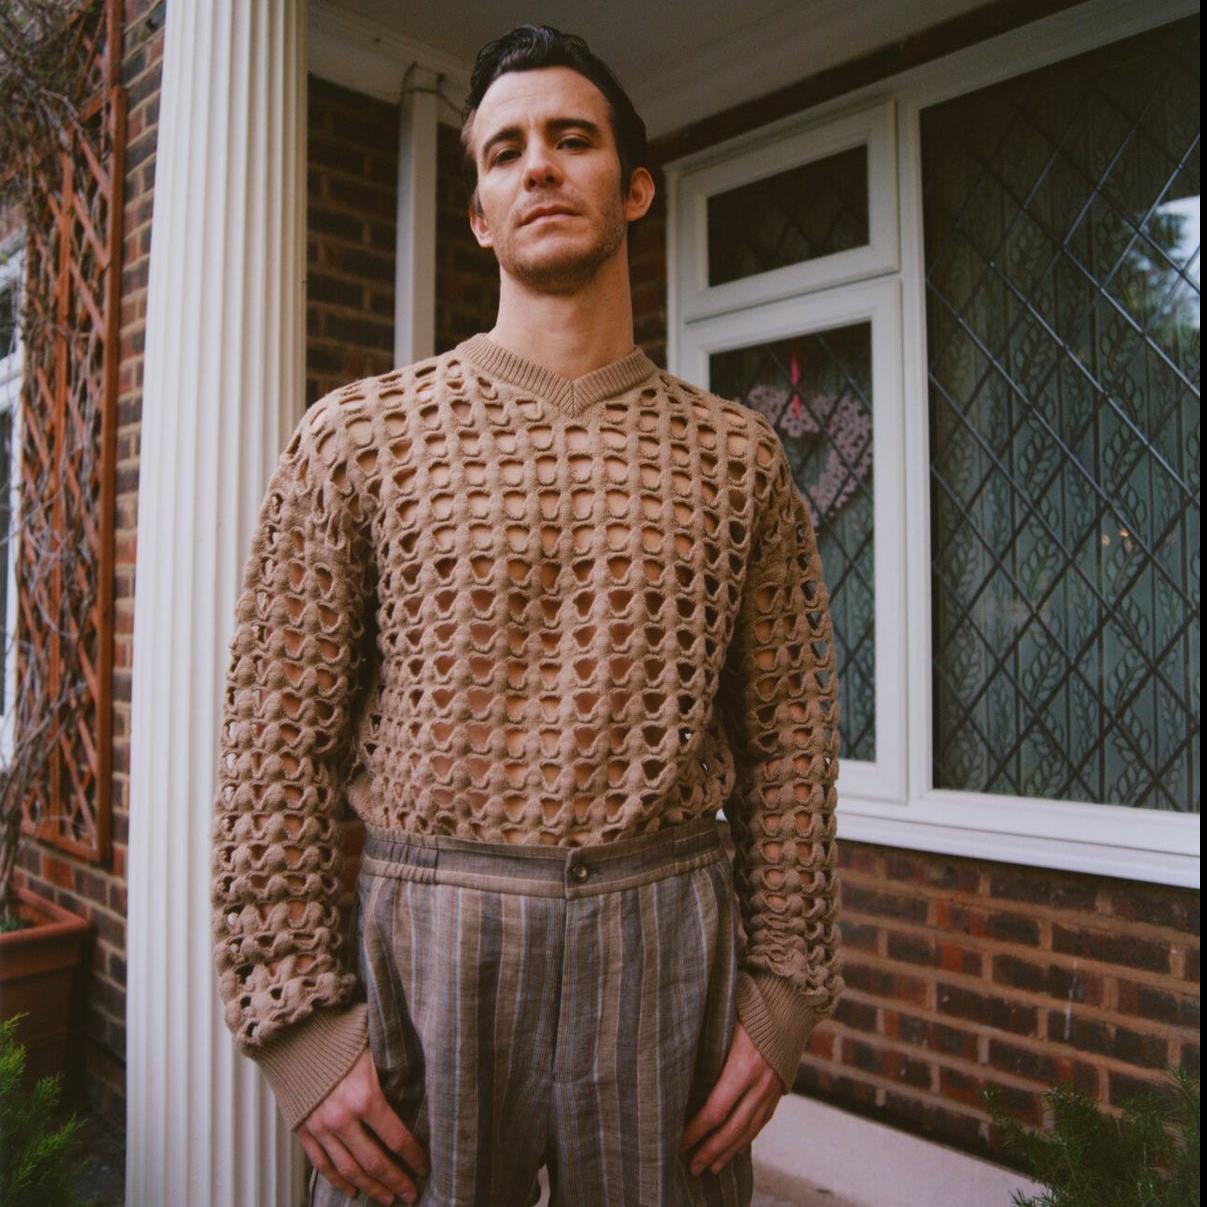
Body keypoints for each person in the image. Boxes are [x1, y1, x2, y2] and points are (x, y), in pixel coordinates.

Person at [211, 22, 842, 1207]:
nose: (539, 165)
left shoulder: (738, 460)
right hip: (430, 952)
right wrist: (297, 1025)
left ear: (635, 186)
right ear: (479, 216)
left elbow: (791, 735)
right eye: (505, 152)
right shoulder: (358, 440)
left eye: (572, 138)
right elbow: (272, 738)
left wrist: (783, 993)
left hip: (665, 940)